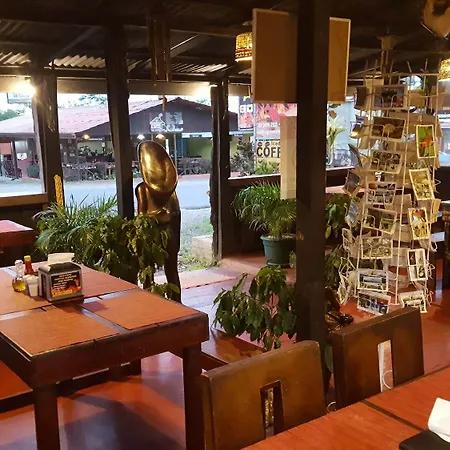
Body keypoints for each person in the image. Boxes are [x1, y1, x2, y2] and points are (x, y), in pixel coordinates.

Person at [135, 141, 181, 302]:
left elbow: (176, 214)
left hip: (168, 233)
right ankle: (150, 301)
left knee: (172, 270)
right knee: (149, 271)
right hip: (151, 234)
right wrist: (158, 215)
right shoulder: (142, 189)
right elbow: (141, 216)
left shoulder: (171, 192)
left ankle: (177, 300)